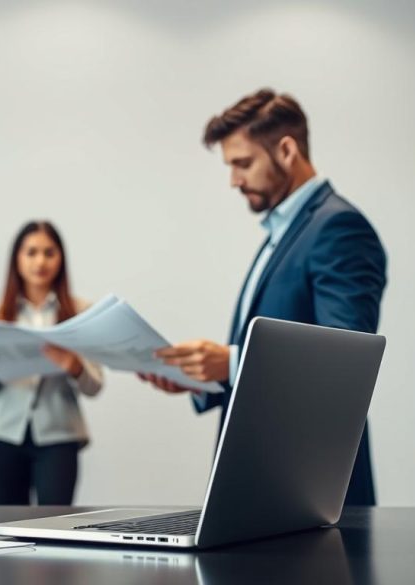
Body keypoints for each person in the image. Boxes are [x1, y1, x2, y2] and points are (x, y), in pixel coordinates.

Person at [140, 88, 387, 505]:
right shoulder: (286, 231)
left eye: (242, 163)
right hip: (266, 485)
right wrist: (207, 375)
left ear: (287, 150)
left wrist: (232, 362)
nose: (234, 181)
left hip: (310, 490)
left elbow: (348, 363)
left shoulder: (339, 228)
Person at [0, 221, 104, 505]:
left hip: (59, 434)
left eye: (49, 252)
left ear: (60, 259)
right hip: (2, 433)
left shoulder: (81, 311)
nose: (40, 261)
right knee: (7, 527)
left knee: (55, 526)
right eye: (31, 252)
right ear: (17, 258)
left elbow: (95, 385)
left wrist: (73, 365)